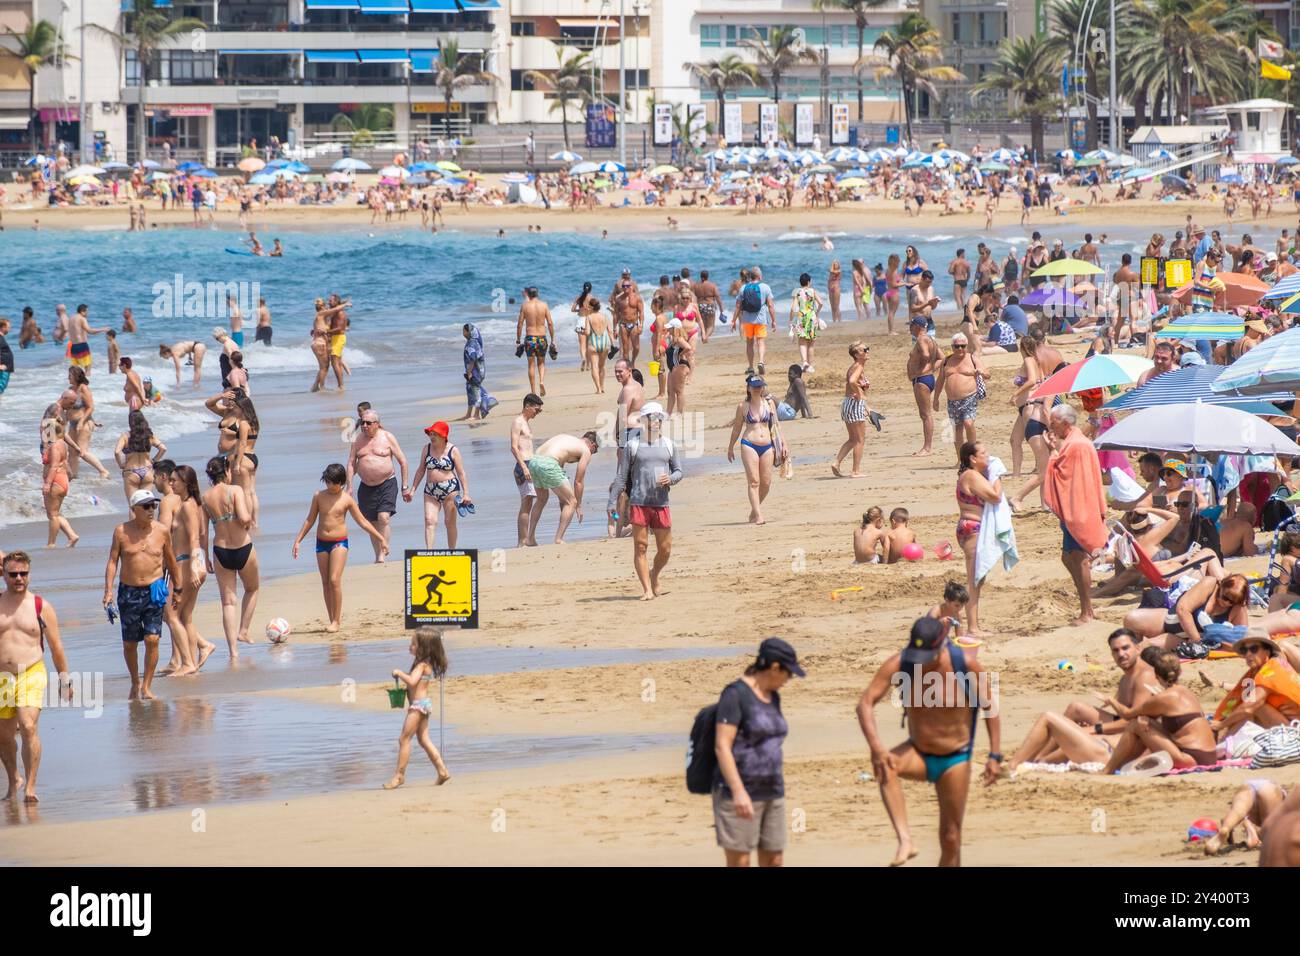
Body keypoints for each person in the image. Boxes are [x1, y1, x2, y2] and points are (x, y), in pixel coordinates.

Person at [857, 617, 1001, 867]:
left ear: (942, 645)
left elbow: (991, 708)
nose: (921, 662)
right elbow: (865, 703)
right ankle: (905, 840)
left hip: (955, 758)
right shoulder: (903, 662)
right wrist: (877, 748)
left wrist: (994, 755)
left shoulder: (964, 664)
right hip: (918, 752)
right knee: (886, 765)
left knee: (951, 837)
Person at [1004, 628, 1154, 773]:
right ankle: (1037, 758)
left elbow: (1133, 722)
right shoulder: (1126, 677)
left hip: (1111, 753)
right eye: (1116, 650)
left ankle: (1016, 766)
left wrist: (1093, 729)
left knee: (1049, 719)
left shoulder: (1144, 677)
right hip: (1112, 743)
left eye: (1125, 648)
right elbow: (1124, 718)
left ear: (1138, 648)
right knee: (1076, 708)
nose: (1121, 654)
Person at [712, 637, 805, 868]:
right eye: (788, 673)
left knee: (775, 859)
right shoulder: (734, 695)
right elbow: (722, 746)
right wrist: (738, 792)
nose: (789, 679)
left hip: (773, 789)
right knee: (740, 862)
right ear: (774, 668)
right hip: (739, 792)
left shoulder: (773, 696)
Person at [0, 551, 72, 803]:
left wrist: (65, 680)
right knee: (4, 736)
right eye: (13, 574)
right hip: (2, 678)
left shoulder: (41, 606)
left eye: (24, 574)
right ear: (4, 575)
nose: (19, 578)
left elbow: (56, 647)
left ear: (29, 574)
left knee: (28, 725)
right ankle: (14, 780)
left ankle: (30, 786)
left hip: (31, 671)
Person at [103, 489, 184, 699]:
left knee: (152, 639)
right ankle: (134, 681)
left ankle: (147, 686)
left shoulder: (162, 531)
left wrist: (178, 589)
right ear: (134, 509)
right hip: (128, 592)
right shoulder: (121, 531)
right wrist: (108, 592)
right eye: (146, 506)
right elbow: (113, 561)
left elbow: (171, 560)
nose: (151, 510)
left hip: (154, 590)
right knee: (130, 643)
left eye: (153, 506)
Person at [292, 463, 385, 634]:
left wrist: (381, 539)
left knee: (334, 580)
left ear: (341, 482)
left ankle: (337, 620)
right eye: (327, 482)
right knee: (326, 583)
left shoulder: (346, 500)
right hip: (321, 543)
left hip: (339, 542)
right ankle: (331, 619)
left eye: (333, 483)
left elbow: (363, 522)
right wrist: (298, 541)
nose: (329, 486)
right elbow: (310, 520)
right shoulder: (319, 496)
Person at [1097, 651, 1218, 772]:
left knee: (1135, 725)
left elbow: (1127, 714)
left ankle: (1108, 769)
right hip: (1209, 756)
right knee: (1144, 722)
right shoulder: (1186, 691)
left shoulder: (1162, 698)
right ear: (1179, 672)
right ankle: (1121, 765)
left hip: (1191, 759)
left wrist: (1111, 701)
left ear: (1157, 677)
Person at [1042, 404, 1106, 626]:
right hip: (1077, 508)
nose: (1050, 425)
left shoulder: (1077, 445)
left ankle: (1087, 611)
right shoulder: (1075, 443)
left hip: (1078, 510)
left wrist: (1051, 452)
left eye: (1053, 421)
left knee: (1079, 560)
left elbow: (1062, 474)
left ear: (1065, 423)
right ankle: (1086, 607)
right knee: (1068, 557)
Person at [615, 402, 682, 600]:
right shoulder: (632, 446)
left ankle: (654, 574)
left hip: (661, 503)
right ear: (644, 421)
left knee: (665, 549)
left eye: (658, 418)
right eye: (651, 418)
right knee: (641, 546)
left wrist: (670, 479)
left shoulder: (670, 445)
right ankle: (647, 589)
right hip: (639, 502)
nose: (655, 422)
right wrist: (612, 503)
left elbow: (679, 471)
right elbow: (621, 477)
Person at [201, 455, 259, 657]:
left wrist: (205, 557)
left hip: (221, 550)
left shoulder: (205, 497)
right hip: (242, 546)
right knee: (252, 589)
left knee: (227, 602)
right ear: (226, 472)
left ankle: (233, 651)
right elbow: (243, 517)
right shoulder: (235, 490)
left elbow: (203, 532)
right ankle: (243, 630)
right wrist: (248, 521)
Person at [384, 627, 452, 790]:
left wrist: (399, 673)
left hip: (418, 707)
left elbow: (412, 682)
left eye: (413, 644)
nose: (410, 646)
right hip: (423, 705)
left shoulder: (422, 665)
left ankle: (399, 776)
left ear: (423, 648)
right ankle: (442, 771)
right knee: (423, 740)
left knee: (403, 739)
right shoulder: (423, 664)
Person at [167, 464, 214, 674]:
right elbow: (203, 534)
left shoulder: (187, 506)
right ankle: (198, 654)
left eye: (174, 480)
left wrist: (196, 566)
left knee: (170, 614)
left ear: (185, 483)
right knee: (185, 616)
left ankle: (187, 663)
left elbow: (195, 537)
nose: (171, 483)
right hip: (190, 562)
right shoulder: (195, 504)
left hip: (186, 563)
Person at [347, 409, 407, 563]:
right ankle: (378, 554)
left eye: (368, 423)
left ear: (377, 424)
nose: (364, 426)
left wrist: (405, 486)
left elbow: (402, 461)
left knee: (384, 517)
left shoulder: (387, 437)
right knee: (371, 523)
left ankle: (383, 551)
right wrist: (349, 487)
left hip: (387, 483)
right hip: (366, 486)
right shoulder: (357, 440)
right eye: (362, 423)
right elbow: (351, 463)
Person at [405, 421, 473, 550]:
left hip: (450, 490)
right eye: (431, 434)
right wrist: (413, 490)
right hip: (430, 491)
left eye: (435, 434)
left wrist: (466, 494)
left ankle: (452, 551)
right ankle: (430, 552)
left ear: (443, 435)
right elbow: (421, 470)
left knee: (449, 523)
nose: (432, 437)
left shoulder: (453, 450)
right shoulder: (427, 449)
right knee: (429, 520)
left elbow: (461, 473)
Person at [526, 432, 600, 545]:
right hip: (549, 463)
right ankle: (558, 539)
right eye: (594, 451)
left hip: (534, 461)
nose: (592, 454)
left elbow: (559, 468)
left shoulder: (568, 439)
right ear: (593, 445)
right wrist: (578, 505)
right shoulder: (586, 450)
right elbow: (578, 481)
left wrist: (564, 499)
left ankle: (530, 538)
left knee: (541, 499)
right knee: (571, 502)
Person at [727, 377, 784, 524]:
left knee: (766, 482)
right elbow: (737, 428)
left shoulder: (769, 403)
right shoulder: (742, 406)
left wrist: (784, 445)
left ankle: (754, 511)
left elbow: (776, 426)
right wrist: (730, 447)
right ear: (749, 388)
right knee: (754, 481)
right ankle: (758, 515)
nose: (757, 389)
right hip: (749, 444)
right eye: (754, 387)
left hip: (767, 446)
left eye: (760, 386)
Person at [208, 386, 261, 529]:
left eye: (232, 399)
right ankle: (251, 521)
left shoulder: (241, 420)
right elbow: (208, 404)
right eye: (227, 398)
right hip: (243, 457)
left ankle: (246, 520)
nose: (229, 402)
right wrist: (222, 394)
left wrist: (236, 463)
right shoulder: (231, 414)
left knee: (239, 490)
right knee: (249, 491)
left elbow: (243, 441)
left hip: (236, 456)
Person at [933, 333, 987, 463]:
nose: (960, 349)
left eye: (963, 346)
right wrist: (936, 399)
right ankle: (961, 460)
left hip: (969, 397)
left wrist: (981, 372)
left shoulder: (972, 359)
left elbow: (987, 373)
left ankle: (975, 455)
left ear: (966, 346)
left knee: (968, 423)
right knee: (957, 429)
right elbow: (940, 380)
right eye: (957, 346)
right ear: (952, 347)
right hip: (952, 401)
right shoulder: (946, 361)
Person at [1202, 779, 1291, 855]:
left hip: (1247, 786)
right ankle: (1253, 833)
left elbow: (1224, 819)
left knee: (1236, 812)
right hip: (1269, 788)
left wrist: (1229, 834)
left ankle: (1226, 829)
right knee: (1270, 832)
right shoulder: (1284, 803)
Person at [61, 366, 110, 480]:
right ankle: (72, 476)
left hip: (84, 423)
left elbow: (90, 407)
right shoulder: (70, 389)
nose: (68, 377)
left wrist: (81, 422)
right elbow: (67, 408)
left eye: (70, 375)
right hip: (72, 424)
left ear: (76, 376)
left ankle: (103, 471)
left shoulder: (84, 389)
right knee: (72, 452)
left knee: (82, 452)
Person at [832, 342, 872, 478]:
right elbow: (852, 381)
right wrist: (860, 395)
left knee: (853, 439)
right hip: (854, 404)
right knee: (860, 439)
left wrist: (866, 406)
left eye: (867, 349)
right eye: (864, 350)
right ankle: (855, 471)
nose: (867, 351)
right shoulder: (859, 367)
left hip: (848, 403)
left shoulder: (854, 366)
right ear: (856, 355)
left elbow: (853, 384)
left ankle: (836, 463)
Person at [113, 410, 166, 507]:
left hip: (131, 471)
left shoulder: (126, 436)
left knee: (134, 506)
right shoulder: (149, 435)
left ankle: (134, 522)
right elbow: (163, 448)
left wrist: (121, 464)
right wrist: (154, 460)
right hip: (147, 471)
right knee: (146, 506)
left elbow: (117, 451)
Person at [510, 394, 543, 547]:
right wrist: (523, 466)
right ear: (527, 406)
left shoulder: (527, 423)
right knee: (526, 502)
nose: (537, 413)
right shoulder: (518, 422)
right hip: (523, 465)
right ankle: (522, 540)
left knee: (530, 501)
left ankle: (527, 538)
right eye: (536, 410)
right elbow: (514, 447)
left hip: (531, 463)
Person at [731, 267, 776, 377]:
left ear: (750, 277)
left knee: (749, 343)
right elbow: (770, 305)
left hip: (747, 320)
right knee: (760, 342)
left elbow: (738, 306)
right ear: (760, 276)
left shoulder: (743, 288)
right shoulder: (765, 287)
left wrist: (733, 320)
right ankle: (761, 361)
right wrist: (774, 320)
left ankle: (751, 367)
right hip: (760, 320)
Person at [906, 316, 941, 457]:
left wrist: (921, 369)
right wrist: (931, 369)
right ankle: (927, 447)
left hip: (922, 380)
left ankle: (927, 448)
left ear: (918, 326)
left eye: (911, 325)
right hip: (926, 378)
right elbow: (942, 358)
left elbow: (926, 355)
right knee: (925, 414)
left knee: (926, 415)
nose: (909, 328)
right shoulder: (931, 339)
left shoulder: (921, 339)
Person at [40, 420, 77, 548]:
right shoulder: (61, 443)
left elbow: (54, 466)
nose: (42, 431)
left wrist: (47, 484)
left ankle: (51, 543)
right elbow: (65, 462)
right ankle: (72, 535)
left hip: (56, 480)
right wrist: (70, 475)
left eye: (44, 429)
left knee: (53, 515)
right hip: (62, 479)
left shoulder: (55, 446)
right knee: (53, 513)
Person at [515, 286, 555, 397]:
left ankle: (533, 392)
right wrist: (553, 339)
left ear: (528, 294)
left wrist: (518, 340)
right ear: (537, 294)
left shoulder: (525, 306)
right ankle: (541, 381)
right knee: (541, 363)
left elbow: (520, 324)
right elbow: (550, 323)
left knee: (531, 365)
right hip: (542, 338)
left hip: (530, 338)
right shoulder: (544, 305)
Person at [459, 323, 498, 420]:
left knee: (475, 391)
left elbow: (473, 359)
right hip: (475, 370)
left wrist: (469, 371)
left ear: (469, 332)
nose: (462, 333)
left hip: (475, 371)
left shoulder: (472, 343)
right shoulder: (473, 341)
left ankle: (476, 415)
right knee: (470, 390)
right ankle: (468, 414)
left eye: (464, 331)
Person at [789, 272, 823, 372]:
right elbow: (821, 303)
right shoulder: (813, 291)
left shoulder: (797, 292)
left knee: (802, 342)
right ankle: (810, 365)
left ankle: (804, 362)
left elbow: (793, 308)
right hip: (811, 317)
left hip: (801, 317)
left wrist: (791, 320)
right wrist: (816, 313)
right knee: (811, 343)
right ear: (808, 282)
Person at [67, 303, 109, 375]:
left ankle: (77, 385)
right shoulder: (82, 319)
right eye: (87, 311)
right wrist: (103, 329)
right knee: (88, 368)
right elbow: (90, 331)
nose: (87, 313)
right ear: (82, 311)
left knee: (75, 370)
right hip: (82, 345)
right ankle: (86, 385)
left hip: (73, 346)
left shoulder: (71, 318)